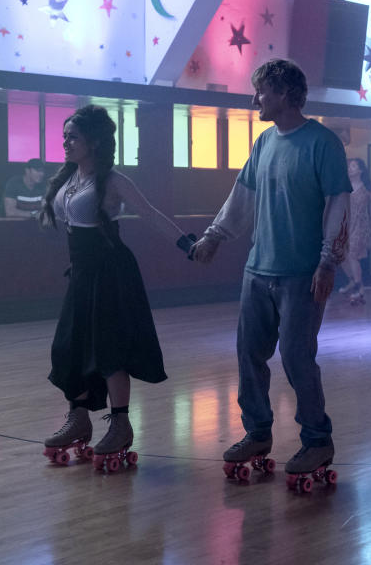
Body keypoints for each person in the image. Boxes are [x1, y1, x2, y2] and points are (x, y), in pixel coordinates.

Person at [190, 59, 351, 481]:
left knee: (297, 357)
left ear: (282, 93)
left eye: (259, 90)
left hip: (302, 274)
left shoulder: (323, 144)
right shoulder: (263, 143)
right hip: (258, 270)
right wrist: (213, 236)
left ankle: (317, 440)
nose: (254, 98)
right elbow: (240, 197)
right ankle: (258, 432)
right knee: (249, 355)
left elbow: (338, 206)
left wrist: (327, 262)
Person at [39, 105, 194, 469]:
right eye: (64, 136)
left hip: (110, 273)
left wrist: (188, 245)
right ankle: (78, 418)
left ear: (92, 141)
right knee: (69, 347)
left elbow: (152, 214)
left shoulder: (113, 181)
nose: (65, 142)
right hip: (80, 275)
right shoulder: (69, 177)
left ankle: (120, 424)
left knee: (109, 350)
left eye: (72, 137)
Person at [338, 158, 371, 305]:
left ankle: (360, 288)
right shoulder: (343, 186)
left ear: (360, 170)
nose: (350, 169)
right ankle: (352, 281)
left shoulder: (366, 188)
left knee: (353, 256)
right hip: (344, 225)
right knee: (340, 256)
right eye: (349, 166)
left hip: (360, 225)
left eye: (353, 166)